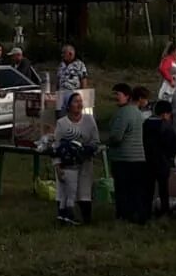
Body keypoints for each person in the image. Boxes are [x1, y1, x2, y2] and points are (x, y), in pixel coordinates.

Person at [54, 90, 100, 225]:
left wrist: (88, 150)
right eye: (75, 102)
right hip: (67, 165)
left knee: (84, 190)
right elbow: (56, 146)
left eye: (81, 101)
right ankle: (65, 217)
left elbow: (96, 141)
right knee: (66, 191)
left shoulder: (89, 120)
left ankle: (86, 220)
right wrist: (57, 166)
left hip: (84, 162)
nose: (79, 104)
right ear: (68, 105)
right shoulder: (62, 123)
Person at [106, 83, 147, 223]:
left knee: (122, 190)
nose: (115, 97)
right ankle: (138, 216)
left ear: (127, 96)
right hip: (138, 158)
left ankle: (123, 216)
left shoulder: (123, 113)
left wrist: (107, 141)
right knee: (136, 190)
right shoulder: (138, 113)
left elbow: (116, 137)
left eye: (117, 94)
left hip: (123, 158)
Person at [143, 100, 176, 218]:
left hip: (147, 162)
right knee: (163, 189)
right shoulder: (167, 127)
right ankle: (164, 211)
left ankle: (146, 212)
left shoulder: (146, 124)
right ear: (165, 114)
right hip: (162, 163)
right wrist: (170, 158)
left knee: (148, 189)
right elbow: (174, 146)